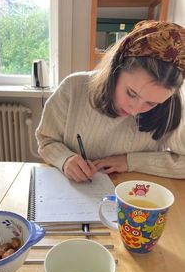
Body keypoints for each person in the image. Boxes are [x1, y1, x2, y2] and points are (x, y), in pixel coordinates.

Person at [36, 20, 185, 182]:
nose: (135, 110)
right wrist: (64, 159)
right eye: (131, 93)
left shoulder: (171, 107)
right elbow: (46, 140)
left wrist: (131, 162)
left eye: (152, 103)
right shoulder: (74, 88)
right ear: (116, 69)